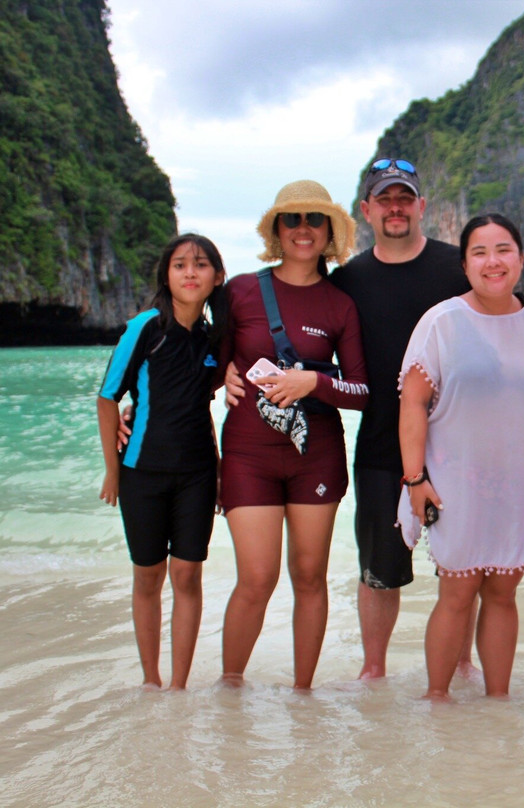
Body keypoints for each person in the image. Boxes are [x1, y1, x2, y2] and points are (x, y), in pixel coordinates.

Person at [397, 214, 524, 700]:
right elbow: (413, 404)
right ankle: (437, 702)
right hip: (455, 481)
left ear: (521, 259)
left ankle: (498, 706)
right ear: (465, 264)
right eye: (480, 252)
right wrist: (415, 479)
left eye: (503, 249)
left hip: (519, 484)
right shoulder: (442, 322)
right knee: (458, 591)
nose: (493, 262)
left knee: (504, 593)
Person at [218, 180, 369, 690]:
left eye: (314, 219)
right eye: (292, 219)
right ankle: (229, 691)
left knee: (309, 577)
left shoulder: (340, 304)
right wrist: (131, 405)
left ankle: (303, 694)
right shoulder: (240, 290)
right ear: (277, 230)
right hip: (248, 453)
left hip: (315, 455)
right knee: (257, 578)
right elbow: (205, 362)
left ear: (329, 230)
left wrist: (315, 383)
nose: (303, 229)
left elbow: (362, 391)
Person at [328, 159, 474, 680]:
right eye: (385, 199)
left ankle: (462, 665)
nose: (396, 207)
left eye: (404, 198)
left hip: (457, 443)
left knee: (461, 569)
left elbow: (507, 325)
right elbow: (307, 347)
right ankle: (374, 671)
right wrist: (232, 371)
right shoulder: (347, 281)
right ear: (366, 210)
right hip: (380, 446)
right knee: (379, 570)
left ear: (422, 206)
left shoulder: (458, 267)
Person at [97, 233, 227, 690]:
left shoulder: (212, 338)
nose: (190, 273)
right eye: (180, 265)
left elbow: (201, 406)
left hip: (197, 474)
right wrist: (112, 471)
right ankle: (151, 680)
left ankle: (179, 685)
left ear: (217, 277)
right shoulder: (145, 327)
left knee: (187, 574)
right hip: (141, 471)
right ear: (166, 275)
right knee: (149, 575)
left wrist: (218, 470)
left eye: (200, 264)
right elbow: (107, 397)